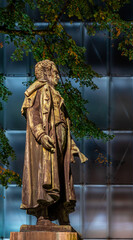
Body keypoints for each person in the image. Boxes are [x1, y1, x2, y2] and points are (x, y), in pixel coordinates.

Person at [20, 59, 87, 226]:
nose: (58, 75)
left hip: (60, 140)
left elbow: (64, 122)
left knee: (61, 177)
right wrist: (41, 134)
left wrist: (71, 146)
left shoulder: (57, 94)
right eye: (55, 72)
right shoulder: (38, 91)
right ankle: (43, 215)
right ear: (46, 74)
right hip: (48, 139)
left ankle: (61, 212)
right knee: (46, 175)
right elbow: (33, 114)